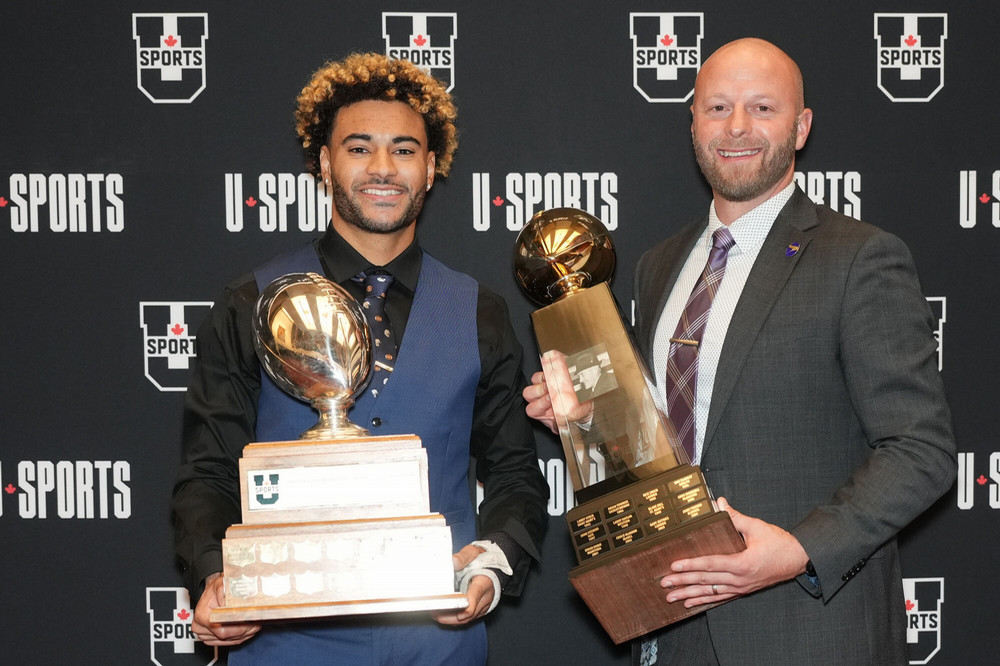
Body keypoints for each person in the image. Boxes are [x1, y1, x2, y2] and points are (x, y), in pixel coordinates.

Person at [524, 38, 955, 664]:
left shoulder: (859, 257)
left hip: (806, 631)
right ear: (694, 121)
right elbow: (661, 443)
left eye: (762, 108)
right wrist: (586, 420)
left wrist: (801, 549)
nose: (737, 128)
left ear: (801, 126)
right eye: (718, 107)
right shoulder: (659, 265)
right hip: (671, 626)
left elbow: (921, 449)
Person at [173, 53, 548, 664]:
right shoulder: (251, 302)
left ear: (431, 168)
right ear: (324, 163)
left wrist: (488, 562)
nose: (382, 168)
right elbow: (209, 469)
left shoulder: (479, 311)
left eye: (403, 150)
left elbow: (514, 475)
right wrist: (218, 579)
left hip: (438, 643)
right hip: (281, 642)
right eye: (358, 148)